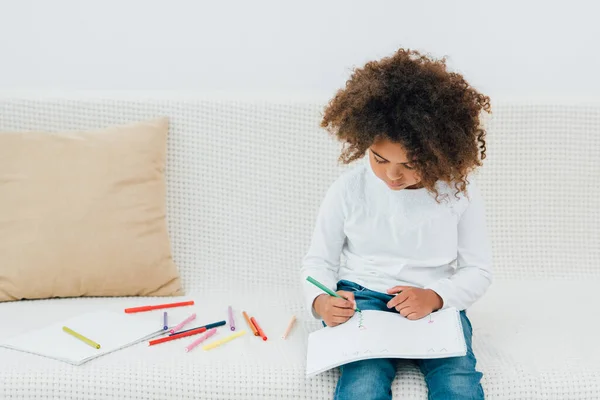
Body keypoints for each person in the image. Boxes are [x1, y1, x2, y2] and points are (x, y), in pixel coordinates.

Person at [301, 48, 493, 400]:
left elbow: (477, 270)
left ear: (441, 153)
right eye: (379, 158)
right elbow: (318, 263)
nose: (392, 174)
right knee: (361, 387)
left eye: (410, 163)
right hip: (363, 298)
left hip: (434, 302)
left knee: (459, 386)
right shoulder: (348, 190)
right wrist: (320, 302)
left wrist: (435, 297)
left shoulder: (458, 194)